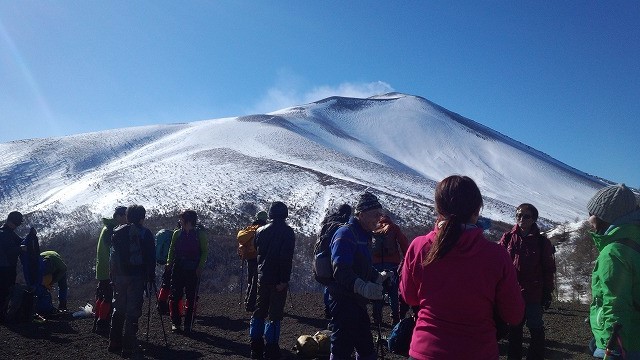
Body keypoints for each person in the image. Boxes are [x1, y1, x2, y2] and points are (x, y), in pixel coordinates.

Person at [399, 175, 524, 360]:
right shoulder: (497, 256)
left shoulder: (419, 247)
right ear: (476, 211)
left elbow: (409, 296)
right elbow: (514, 314)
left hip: (426, 350)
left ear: (439, 209)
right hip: (478, 351)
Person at [327, 192, 389, 360]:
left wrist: (377, 277)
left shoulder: (363, 235)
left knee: (364, 347)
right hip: (343, 301)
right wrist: (364, 287)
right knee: (342, 349)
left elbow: (362, 266)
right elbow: (340, 270)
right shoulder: (346, 234)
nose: (379, 217)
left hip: (356, 301)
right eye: (375, 214)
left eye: (379, 213)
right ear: (361, 214)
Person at [585, 184, 640, 359]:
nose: (589, 220)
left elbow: (615, 303)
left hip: (621, 343)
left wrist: (611, 346)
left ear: (605, 216)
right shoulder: (633, 242)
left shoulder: (613, 252)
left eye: (591, 214)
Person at [500, 203, 556, 360]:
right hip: (513, 293)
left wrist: (547, 292)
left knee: (535, 329)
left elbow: (548, 268)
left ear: (534, 219)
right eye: (518, 215)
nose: (521, 219)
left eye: (526, 216)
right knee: (514, 330)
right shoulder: (508, 238)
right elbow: (499, 263)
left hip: (533, 294)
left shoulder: (541, 242)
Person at [249, 201, 296, 360]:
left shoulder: (260, 230)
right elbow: (286, 258)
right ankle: (271, 348)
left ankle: (255, 346)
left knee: (259, 311)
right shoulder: (288, 232)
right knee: (275, 315)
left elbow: (256, 249)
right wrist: (284, 279)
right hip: (277, 280)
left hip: (263, 276)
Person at [108, 205, 156, 357]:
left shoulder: (118, 232)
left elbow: (113, 257)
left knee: (119, 308)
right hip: (136, 276)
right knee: (132, 311)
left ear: (127, 217)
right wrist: (151, 276)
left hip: (120, 277)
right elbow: (150, 257)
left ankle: (114, 342)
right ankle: (128, 346)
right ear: (142, 218)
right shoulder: (145, 233)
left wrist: (112, 277)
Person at [166, 209, 208, 334]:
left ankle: (187, 323)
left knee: (191, 297)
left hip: (192, 269)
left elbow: (204, 252)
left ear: (187, 221)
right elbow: (172, 249)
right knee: (175, 296)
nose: (180, 221)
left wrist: (200, 267)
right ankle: (176, 322)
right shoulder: (177, 233)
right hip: (179, 267)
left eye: (182, 219)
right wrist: (169, 262)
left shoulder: (200, 234)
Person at [371, 214, 409, 326]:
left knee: (378, 290)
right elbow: (403, 243)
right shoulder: (393, 227)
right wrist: (407, 258)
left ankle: (377, 317)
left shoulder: (374, 228)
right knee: (393, 291)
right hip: (393, 264)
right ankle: (395, 317)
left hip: (376, 265)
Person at [95, 206, 127, 333]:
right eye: (124, 216)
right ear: (118, 216)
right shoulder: (111, 230)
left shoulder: (107, 228)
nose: (126, 219)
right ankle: (102, 323)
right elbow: (113, 251)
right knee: (108, 297)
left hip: (102, 268)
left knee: (102, 295)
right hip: (109, 269)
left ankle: (98, 319)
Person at [318, 203, 352, 319]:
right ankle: (334, 307)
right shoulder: (343, 222)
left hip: (324, 255)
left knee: (328, 282)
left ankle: (327, 307)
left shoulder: (328, 221)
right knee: (336, 281)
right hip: (336, 254)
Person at [240, 211, 268, 313]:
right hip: (260, 257)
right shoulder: (265, 229)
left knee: (250, 280)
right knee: (256, 281)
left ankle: (247, 301)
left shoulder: (250, 229)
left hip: (249, 257)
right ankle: (252, 304)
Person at [0, 211, 24, 323]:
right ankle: (2, 315)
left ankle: (3, 313)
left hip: (7, 267)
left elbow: (19, 240)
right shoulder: (4, 234)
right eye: (16, 224)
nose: (16, 226)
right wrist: (21, 248)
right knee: (5, 291)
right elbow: (10, 251)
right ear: (11, 222)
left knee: (6, 291)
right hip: (5, 268)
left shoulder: (7, 232)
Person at [35, 250, 68, 315]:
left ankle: (62, 304)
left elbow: (64, 269)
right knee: (42, 286)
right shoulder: (39, 264)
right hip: (44, 261)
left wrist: (53, 281)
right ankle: (44, 305)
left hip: (54, 261)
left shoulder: (58, 263)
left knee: (62, 284)